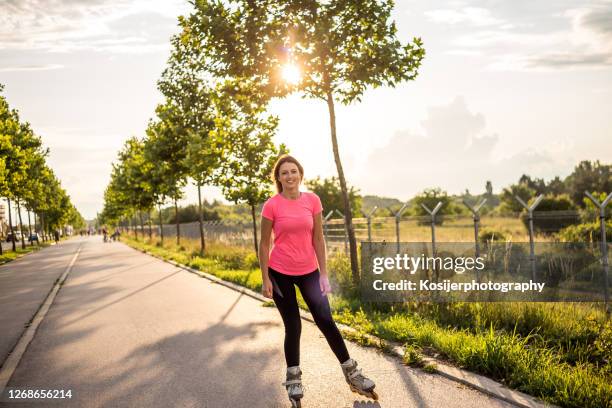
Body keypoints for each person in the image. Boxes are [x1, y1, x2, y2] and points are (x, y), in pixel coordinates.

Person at [259, 155, 377, 408]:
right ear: (278, 178)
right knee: (294, 325)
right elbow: (264, 243)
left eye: (293, 171)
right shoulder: (272, 205)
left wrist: (324, 273)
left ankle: (352, 374)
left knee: (326, 320)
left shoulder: (312, 201)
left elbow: (319, 239)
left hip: (309, 270)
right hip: (279, 272)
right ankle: (293, 379)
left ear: (300, 174)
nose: (289, 176)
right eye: (284, 173)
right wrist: (265, 277)